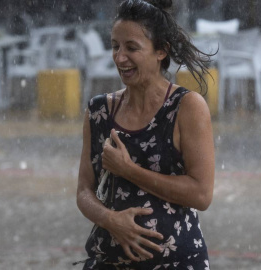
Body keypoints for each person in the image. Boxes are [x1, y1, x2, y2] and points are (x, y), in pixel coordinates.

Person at [76, 0, 215, 269]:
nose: (119, 58)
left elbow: (201, 194)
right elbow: (83, 191)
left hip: (177, 262)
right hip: (109, 262)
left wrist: (128, 170)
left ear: (161, 51)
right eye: (115, 46)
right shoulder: (98, 111)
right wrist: (109, 220)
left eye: (131, 48)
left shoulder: (187, 108)